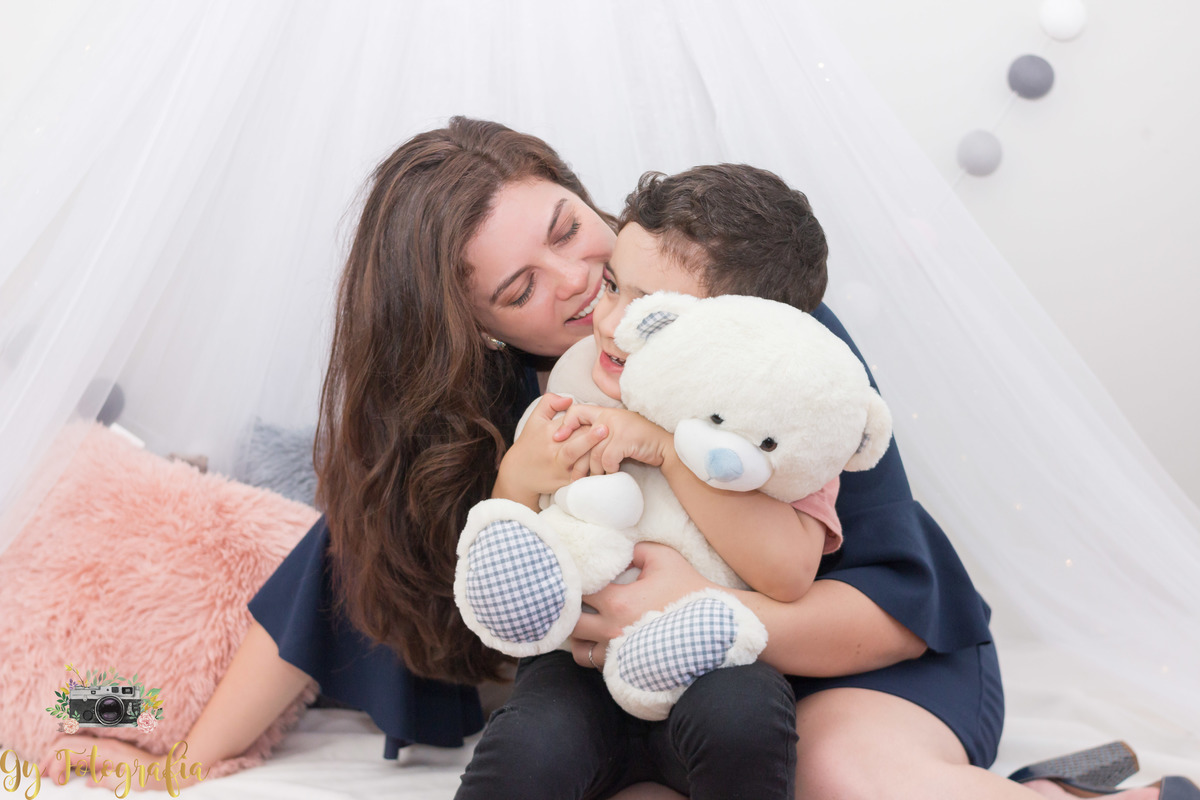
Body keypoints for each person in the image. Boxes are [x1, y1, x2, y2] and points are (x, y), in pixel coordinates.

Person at [48, 120, 1187, 800]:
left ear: (579, 190)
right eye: (519, 288)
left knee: (834, 771)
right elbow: (332, 575)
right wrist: (185, 757)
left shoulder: (756, 328)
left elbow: (893, 610)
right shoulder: (511, 412)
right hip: (657, 703)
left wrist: (699, 611)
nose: (579, 281)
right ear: (475, 329)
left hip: (851, 662)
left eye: (566, 227)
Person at [456, 164, 844, 800]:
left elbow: (788, 574)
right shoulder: (572, 384)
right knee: (529, 746)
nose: (610, 322)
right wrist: (517, 475)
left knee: (744, 720)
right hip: (578, 671)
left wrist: (666, 451)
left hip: (710, 664)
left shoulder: (773, 419)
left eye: (654, 315)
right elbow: (511, 544)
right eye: (614, 285)